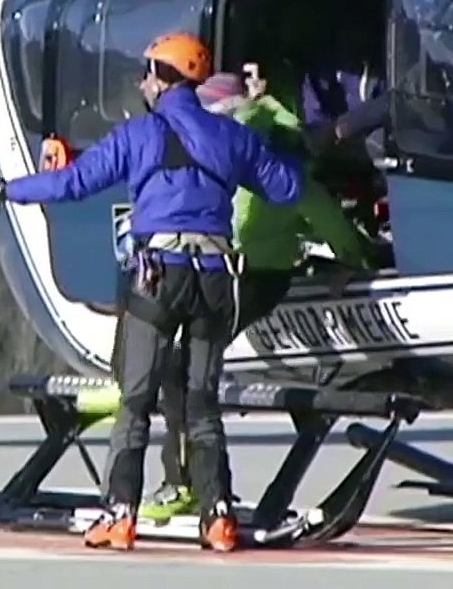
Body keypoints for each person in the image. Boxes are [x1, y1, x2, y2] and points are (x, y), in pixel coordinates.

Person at [0, 32, 304, 553]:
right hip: (215, 278)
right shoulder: (232, 136)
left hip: (157, 278)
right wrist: (280, 141)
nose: (143, 80)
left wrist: (5, 188)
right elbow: (287, 188)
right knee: (201, 402)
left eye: (149, 71)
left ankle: (120, 514)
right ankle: (219, 517)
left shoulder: (139, 134)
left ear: (164, 79)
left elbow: (71, 185)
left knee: (137, 399)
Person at [140, 69, 377, 522]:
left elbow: (317, 211)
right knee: (180, 368)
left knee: (185, 371)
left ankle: (191, 485)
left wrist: (355, 260)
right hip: (218, 272)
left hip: (250, 278)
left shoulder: (256, 151)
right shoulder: (247, 141)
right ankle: (194, 484)